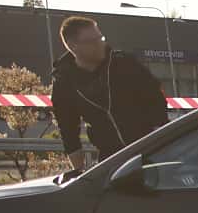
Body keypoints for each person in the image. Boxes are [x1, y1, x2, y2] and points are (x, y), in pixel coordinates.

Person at [50, 15, 167, 167]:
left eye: (101, 38)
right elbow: (68, 131)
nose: (100, 44)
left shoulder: (125, 64)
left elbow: (157, 102)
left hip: (151, 150)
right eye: (92, 41)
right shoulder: (64, 82)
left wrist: (161, 144)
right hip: (111, 160)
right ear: (73, 46)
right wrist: (79, 172)